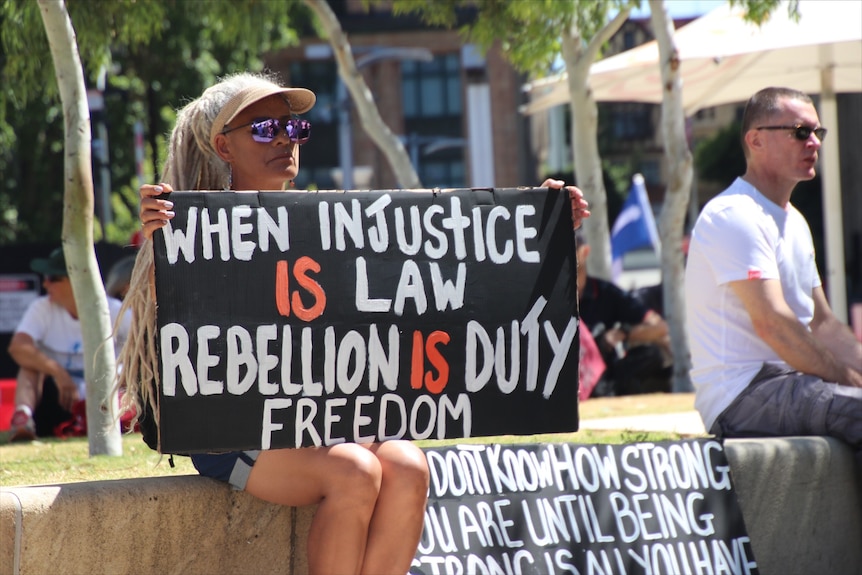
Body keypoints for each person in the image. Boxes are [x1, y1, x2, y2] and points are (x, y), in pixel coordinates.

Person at [119, 71, 590, 575]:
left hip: (323, 416)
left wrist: (539, 223)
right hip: (233, 429)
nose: (284, 139)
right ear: (224, 148)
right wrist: (161, 241)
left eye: (293, 128)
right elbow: (177, 328)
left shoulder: (329, 223)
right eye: (263, 129)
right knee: (356, 472)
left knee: (409, 465)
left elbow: (456, 268)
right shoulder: (188, 226)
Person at [685, 87, 862, 453]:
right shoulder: (734, 214)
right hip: (741, 395)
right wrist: (848, 378)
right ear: (756, 140)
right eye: (800, 131)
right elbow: (774, 325)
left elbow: (824, 324)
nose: (813, 142)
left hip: (790, 382)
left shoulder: (794, 221)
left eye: (818, 133)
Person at [7, 247, 132, 441]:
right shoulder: (43, 308)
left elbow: (145, 348)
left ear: (77, 282)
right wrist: (58, 372)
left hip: (109, 398)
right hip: (61, 399)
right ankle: (23, 419)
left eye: (53, 278)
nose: (45, 284)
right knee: (29, 368)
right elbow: (18, 347)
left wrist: (119, 377)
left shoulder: (113, 310)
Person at [575, 231, 672, 397]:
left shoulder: (606, 293)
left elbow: (659, 327)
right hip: (561, 374)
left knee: (651, 355)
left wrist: (622, 334)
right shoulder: (549, 295)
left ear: (584, 252)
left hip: (601, 376)